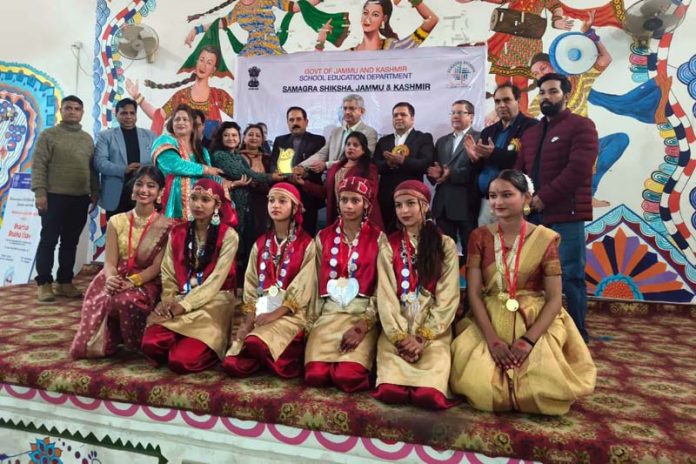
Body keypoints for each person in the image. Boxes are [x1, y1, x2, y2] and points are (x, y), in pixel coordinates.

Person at [450, 170, 596, 414]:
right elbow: (474, 293)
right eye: (493, 196)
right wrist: (492, 340)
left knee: (543, 391)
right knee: (482, 390)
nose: (498, 202)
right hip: (489, 314)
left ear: (527, 198)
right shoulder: (479, 236)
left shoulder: (546, 238)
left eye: (507, 195)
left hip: (534, 318)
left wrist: (528, 341)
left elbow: (553, 298)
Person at [515, 73, 598, 342]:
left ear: (566, 94)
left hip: (566, 214)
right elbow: (520, 171)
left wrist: (544, 197)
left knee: (571, 275)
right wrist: (521, 197)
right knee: (534, 277)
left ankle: (578, 335)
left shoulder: (581, 126)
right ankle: (542, 332)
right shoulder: (531, 133)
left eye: (553, 92)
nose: (546, 97)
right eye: (543, 92)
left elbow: (578, 170)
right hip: (534, 216)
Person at [373, 180, 459, 409]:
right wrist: (400, 337)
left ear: (426, 206)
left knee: (429, 396)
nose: (404, 211)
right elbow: (386, 294)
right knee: (389, 392)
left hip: (433, 330)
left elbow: (448, 297)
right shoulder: (388, 244)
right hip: (396, 327)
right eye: (399, 205)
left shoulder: (445, 245)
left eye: (411, 204)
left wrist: (421, 338)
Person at [70, 166, 171, 358]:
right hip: (116, 276)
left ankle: (135, 341)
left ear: (160, 193)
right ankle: (112, 338)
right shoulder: (116, 221)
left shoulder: (166, 226)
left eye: (151, 186)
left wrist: (133, 281)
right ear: (132, 190)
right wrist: (111, 279)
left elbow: (157, 267)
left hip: (146, 280)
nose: (144, 190)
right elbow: (110, 261)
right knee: (106, 297)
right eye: (139, 184)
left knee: (125, 300)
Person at [141, 178, 239, 373]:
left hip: (214, 301)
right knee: (150, 344)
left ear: (217, 205)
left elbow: (215, 281)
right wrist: (168, 298)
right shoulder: (178, 232)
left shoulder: (229, 236)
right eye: (194, 198)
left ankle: (200, 344)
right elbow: (168, 272)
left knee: (182, 361)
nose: (198, 205)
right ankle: (181, 339)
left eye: (205, 200)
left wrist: (184, 306)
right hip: (180, 298)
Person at [222, 183, 315, 378]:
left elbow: (304, 286)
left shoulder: (307, 244)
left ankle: (267, 351)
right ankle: (263, 353)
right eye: (272, 201)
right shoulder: (260, 243)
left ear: (295, 208)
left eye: (282, 201)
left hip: (291, 315)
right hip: (261, 313)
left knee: (255, 343)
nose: (275, 205)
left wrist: (276, 314)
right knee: (232, 362)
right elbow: (250, 284)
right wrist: (248, 321)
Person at [305, 176, 385, 392]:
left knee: (348, 377)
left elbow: (383, 287)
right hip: (329, 314)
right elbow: (313, 283)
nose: (349, 206)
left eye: (355, 201)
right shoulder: (323, 236)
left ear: (366, 204)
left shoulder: (379, 239)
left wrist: (364, 325)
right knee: (315, 375)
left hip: (361, 316)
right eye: (344, 200)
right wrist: (311, 323)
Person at [31, 95, 99, 302]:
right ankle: (44, 283)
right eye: (68, 108)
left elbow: (92, 169)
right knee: (49, 240)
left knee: (70, 242)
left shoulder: (87, 139)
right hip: (53, 197)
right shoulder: (48, 135)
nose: (72, 111)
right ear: (61, 110)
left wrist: (95, 192)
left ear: (82, 113)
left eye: (77, 108)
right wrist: (40, 193)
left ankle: (64, 282)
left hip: (79, 198)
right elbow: (39, 165)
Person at [212, 124, 283, 274]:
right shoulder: (220, 155)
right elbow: (244, 173)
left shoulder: (237, 156)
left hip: (246, 205)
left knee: (246, 240)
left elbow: (249, 175)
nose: (231, 138)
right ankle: (229, 280)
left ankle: (245, 279)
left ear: (239, 139)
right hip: (230, 204)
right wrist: (271, 177)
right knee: (232, 242)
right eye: (226, 135)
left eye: (234, 135)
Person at [126, 45, 234, 138]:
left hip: (211, 154)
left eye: (209, 63)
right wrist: (137, 96)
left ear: (213, 70)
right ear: (196, 62)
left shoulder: (219, 96)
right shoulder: (181, 96)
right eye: (201, 60)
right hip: (183, 152)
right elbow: (159, 116)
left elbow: (241, 115)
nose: (203, 65)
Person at [472, 84, 539, 225]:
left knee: (514, 244)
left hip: (514, 200)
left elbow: (526, 161)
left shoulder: (531, 126)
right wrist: (475, 159)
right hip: (487, 201)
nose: (501, 105)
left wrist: (494, 153)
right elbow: (482, 166)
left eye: (507, 100)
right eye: (497, 101)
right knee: (488, 243)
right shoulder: (488, 131)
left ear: (518, 101)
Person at [185, 0, 350, 57]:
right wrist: (197, 29)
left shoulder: (266, 0)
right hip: (251, 50)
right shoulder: (238, 8)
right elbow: (220, 23)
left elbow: (295, 7)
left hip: (270, 45)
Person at [427, 100, 480, 265]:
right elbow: (434, 168)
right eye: (453, 113)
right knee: (443, 254)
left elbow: (475, 170)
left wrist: (450, 175)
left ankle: (471, 289)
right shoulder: (442, 141)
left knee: (471, 253)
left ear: (471, 116)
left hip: (466, 204)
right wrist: (435, 175)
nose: (455, 116)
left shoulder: (479, 137)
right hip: (442, 206)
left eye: (460, 112)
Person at [151, 104, 224, 220]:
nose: (181, 122)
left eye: (185, 119)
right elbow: (174, 165)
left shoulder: (201, 150)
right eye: (177, 119)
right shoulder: (164, 140)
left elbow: (209, 178)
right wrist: (204, 169)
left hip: (200, 206)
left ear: (192, 125)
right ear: (171, 124)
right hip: (172, 204)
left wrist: (225, 183)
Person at [303, 132, 383, 230]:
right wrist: (303, 183)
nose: (351, 147)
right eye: (348, 144)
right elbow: (326, 192)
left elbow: (371, 194)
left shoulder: (369, 168)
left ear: (363, 150)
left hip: (361, 219)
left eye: (355, 145)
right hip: (337, 217)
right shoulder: (335, 168)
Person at [374, 102, 434, 233]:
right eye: (395, 115)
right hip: (386, 198)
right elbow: (375, 166)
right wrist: (388, 164)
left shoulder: (423, 138)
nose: (398, 118)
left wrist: (402, 161)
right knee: (387, 236)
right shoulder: (384, 141)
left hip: (412, 198)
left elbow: (425, 164)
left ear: (412, 118)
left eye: (403, 114)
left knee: (414, 234)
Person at [94, 98, 157, 219]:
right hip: (116, 194)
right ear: (116, 115)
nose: (128, 116)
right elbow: (99, 162)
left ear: (136, 115)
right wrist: (123, 169)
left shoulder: (150, 136)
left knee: (142, 235)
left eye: (132, 113)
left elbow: (157, 162)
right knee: (115, 234)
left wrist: (146, 169)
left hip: (143, 193)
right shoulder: (106, 136)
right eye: (123, 113)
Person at [271, 107, 326, 235]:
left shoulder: (318, 140)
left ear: (306, 122)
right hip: (285, 193)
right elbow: (273, 163)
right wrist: (278, 173)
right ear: (287, 123)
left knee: (307, 233)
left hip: (307, 194)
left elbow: (318, 167)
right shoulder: (280, 140)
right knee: (284, 231)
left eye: (298, 119)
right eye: (291, 120)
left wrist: (304, 174)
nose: (295, 123)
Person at [297, 94, 378, 174]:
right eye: (345, 108)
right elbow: (322, 154)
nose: (347, 112)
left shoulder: (370, 132)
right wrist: (301, 166)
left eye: (352, 108)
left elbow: (362, 159)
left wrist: (326, 165)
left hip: (354, 178)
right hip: (331, 180)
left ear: (362, 111)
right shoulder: (335, 132)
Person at [315, 0, 438, 51]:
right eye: (365, 13)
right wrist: (320, 42)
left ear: (383, 19)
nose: (367, 19)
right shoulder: (350, 54)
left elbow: (432, 20)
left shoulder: (394, 48)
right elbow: (317, 72)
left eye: (375, 14)